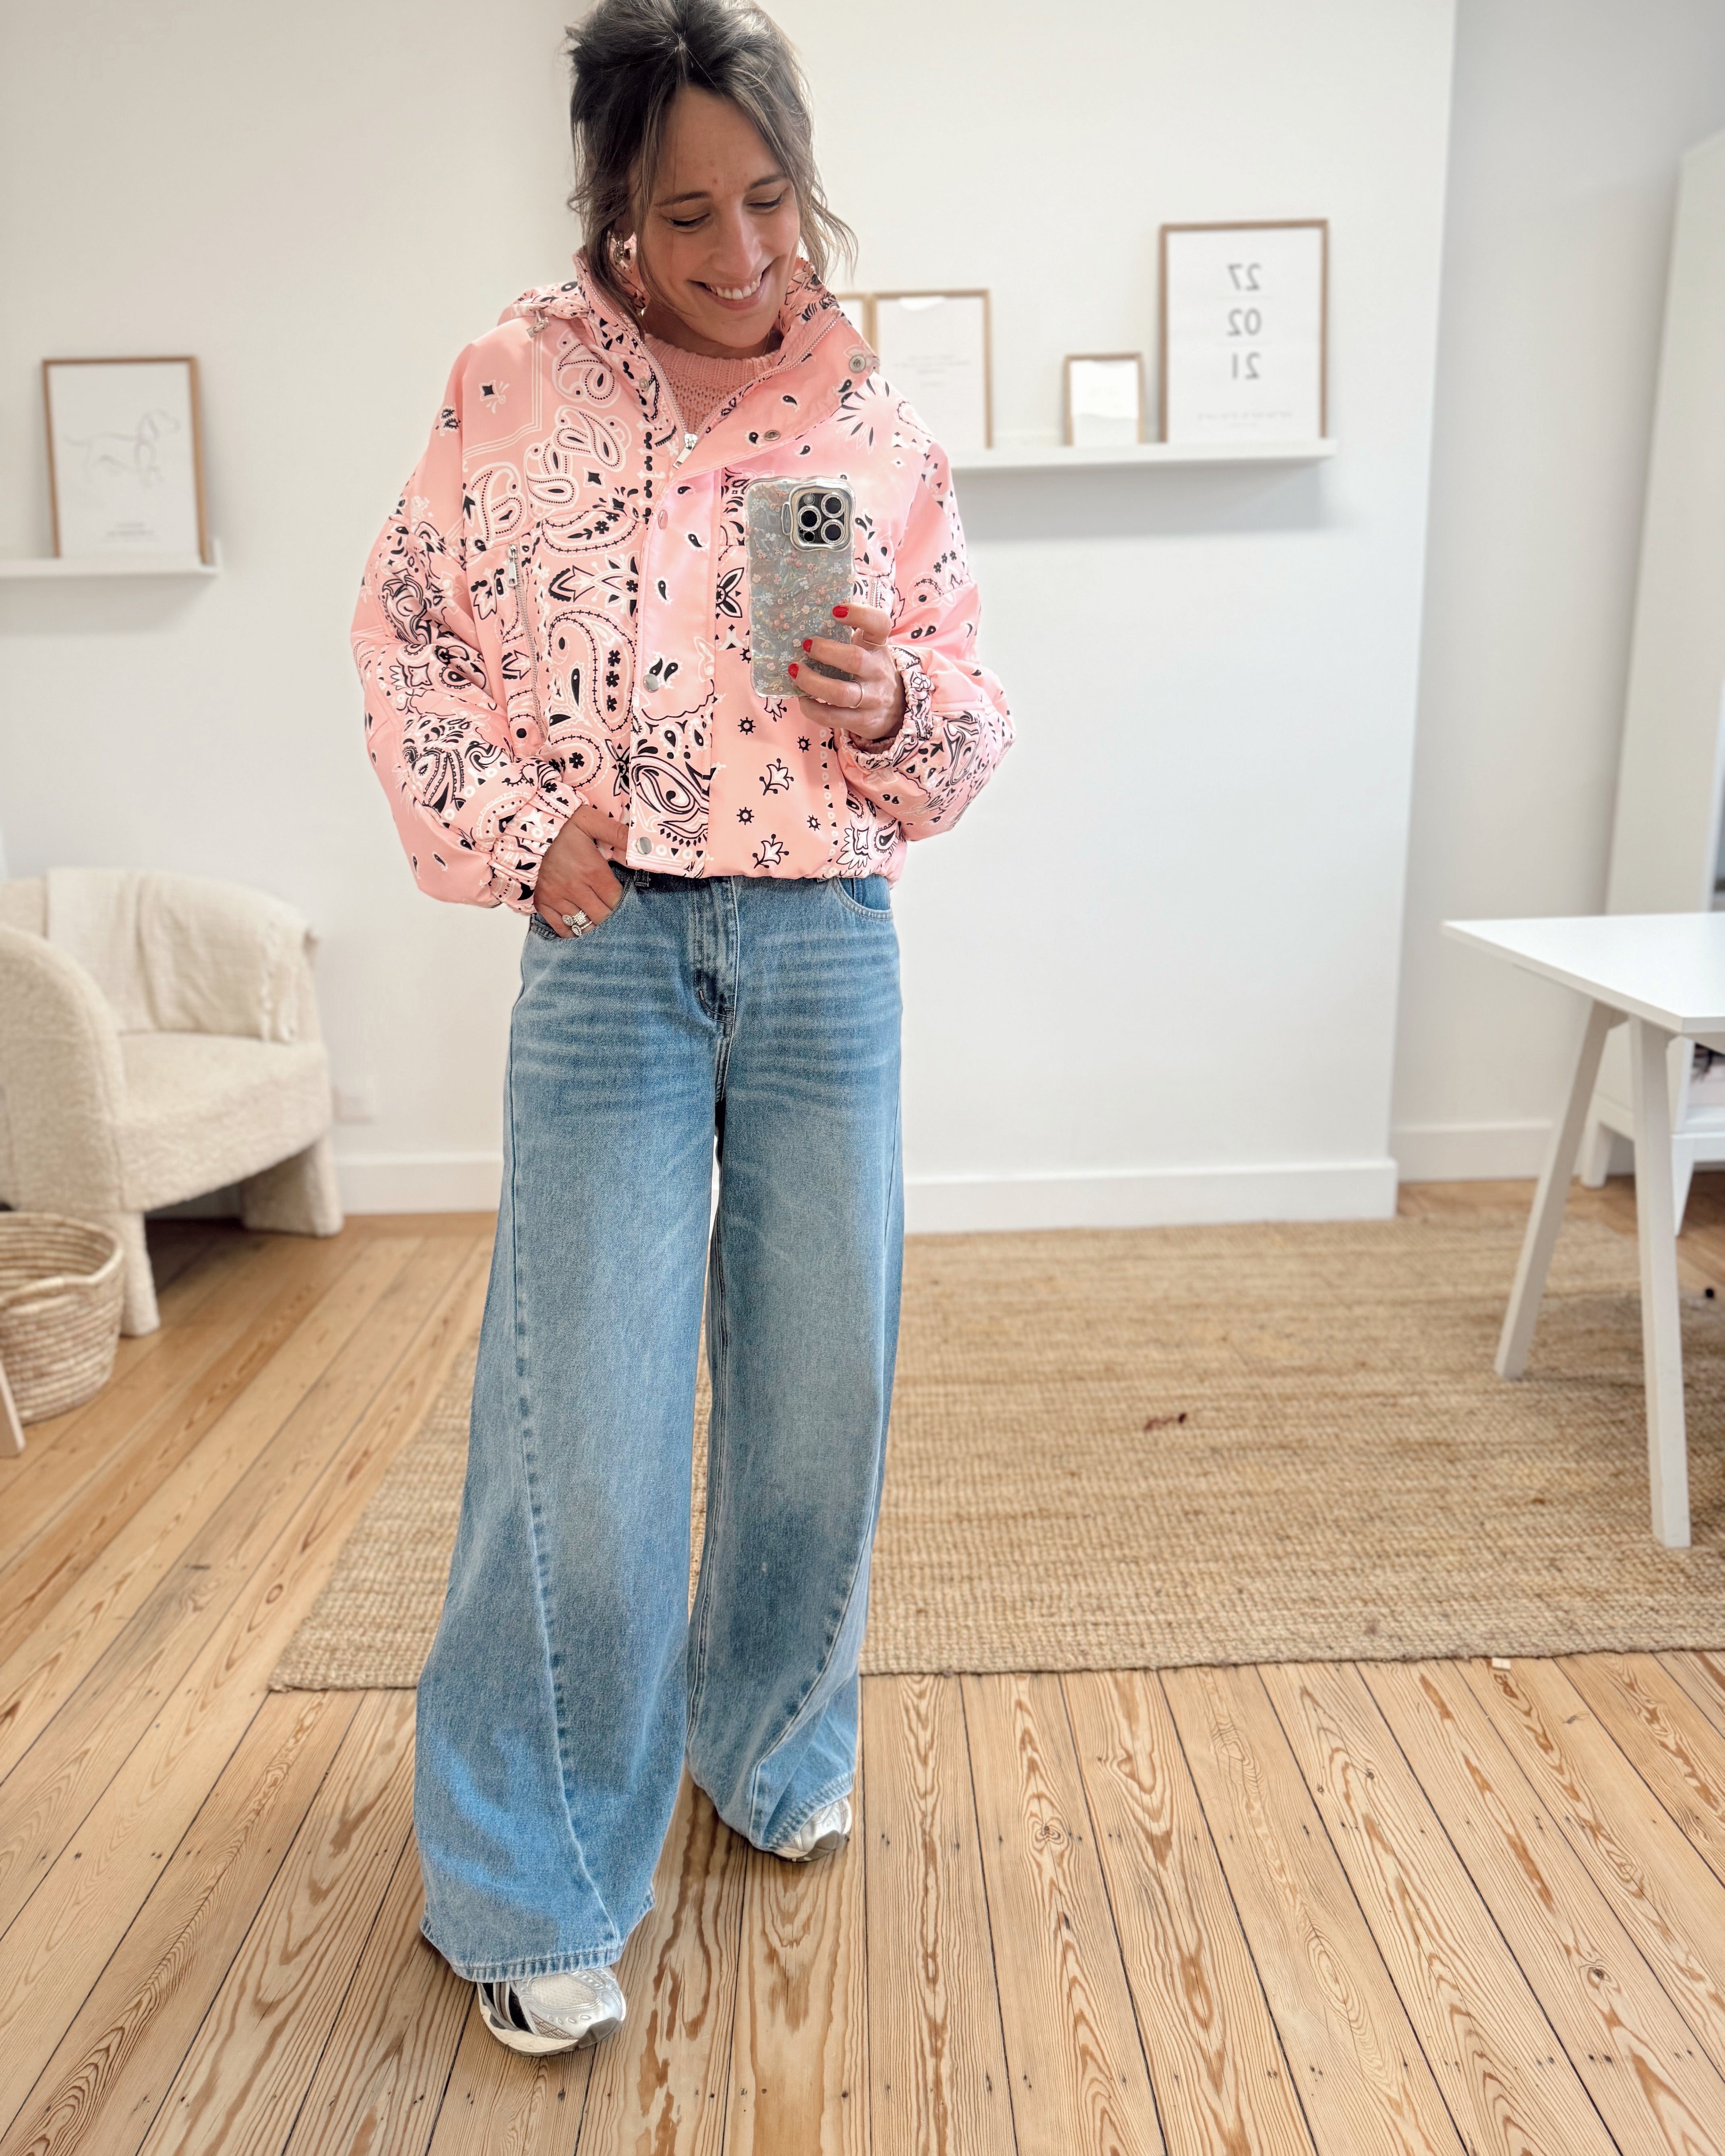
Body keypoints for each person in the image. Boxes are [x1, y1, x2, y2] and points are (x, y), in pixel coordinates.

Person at [352, 0, 1011, 2056]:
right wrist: (517, 829)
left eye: (769, 202)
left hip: (828, 947)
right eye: (685, 215)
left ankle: (770, 1741)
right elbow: (406, 637)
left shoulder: (877, 424)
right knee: (586, 1431)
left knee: (821, 1393)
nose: (741, 253)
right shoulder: (512, 382)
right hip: (613, 951)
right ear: (613, 216)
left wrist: (892, 704)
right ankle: (530, 1874)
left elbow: (971, 715)